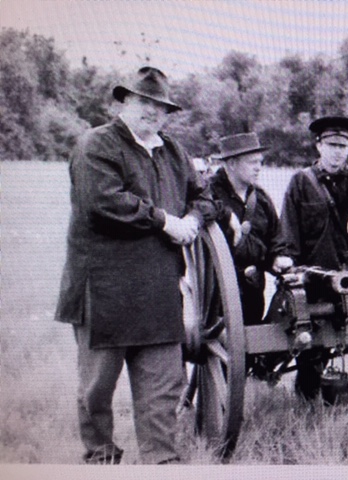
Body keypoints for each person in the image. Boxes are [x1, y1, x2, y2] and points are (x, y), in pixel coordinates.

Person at [55, 67, 223, 464]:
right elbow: (103, 203)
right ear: (123, 102)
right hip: (103, 291)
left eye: (161, 106)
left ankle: (160, 461)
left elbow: (205, 197)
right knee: (96, 390)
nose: (153, 111)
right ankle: (101, 459)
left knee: (163, 387)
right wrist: (166, 222)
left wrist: (193, 219)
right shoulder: (96, 145)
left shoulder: (174, 152)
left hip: (159, 292)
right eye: (144, 102)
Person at [272, 115, 348, 400]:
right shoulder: (301, 182)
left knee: (335, 336)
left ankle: (323, 395)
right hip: (308, 275)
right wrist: (289, 266)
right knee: (308, 342)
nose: (338, 152)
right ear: (319, 146)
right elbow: (288, 228)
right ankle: (305, 395)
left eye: (343, 146)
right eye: (332, 145)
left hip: (343, 273)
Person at [208, 132, 280, 326]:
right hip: (216, 296)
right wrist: (225, 214)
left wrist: (277, 258)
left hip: (253, 293)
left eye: (260, 162)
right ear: (232, 163)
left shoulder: (262, 199)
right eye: (252, 162)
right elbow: (198, 207)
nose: (258, 168)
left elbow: (276, 239)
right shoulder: (208, 194)